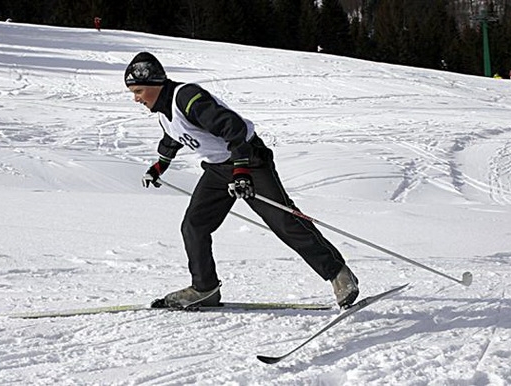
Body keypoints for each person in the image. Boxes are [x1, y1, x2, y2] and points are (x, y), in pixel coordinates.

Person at [125, 52, 359, 309]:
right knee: (194, 225)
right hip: (218, 170)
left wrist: (241, 170)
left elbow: (233, 128)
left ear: (155, 85)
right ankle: (205, 288)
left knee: (283, 220)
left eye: (138, 91)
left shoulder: (186, 97)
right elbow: (174, 137)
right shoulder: (163, 112)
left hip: (249, 160)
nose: (136, 98)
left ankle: (339, 274)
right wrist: (159, 166)